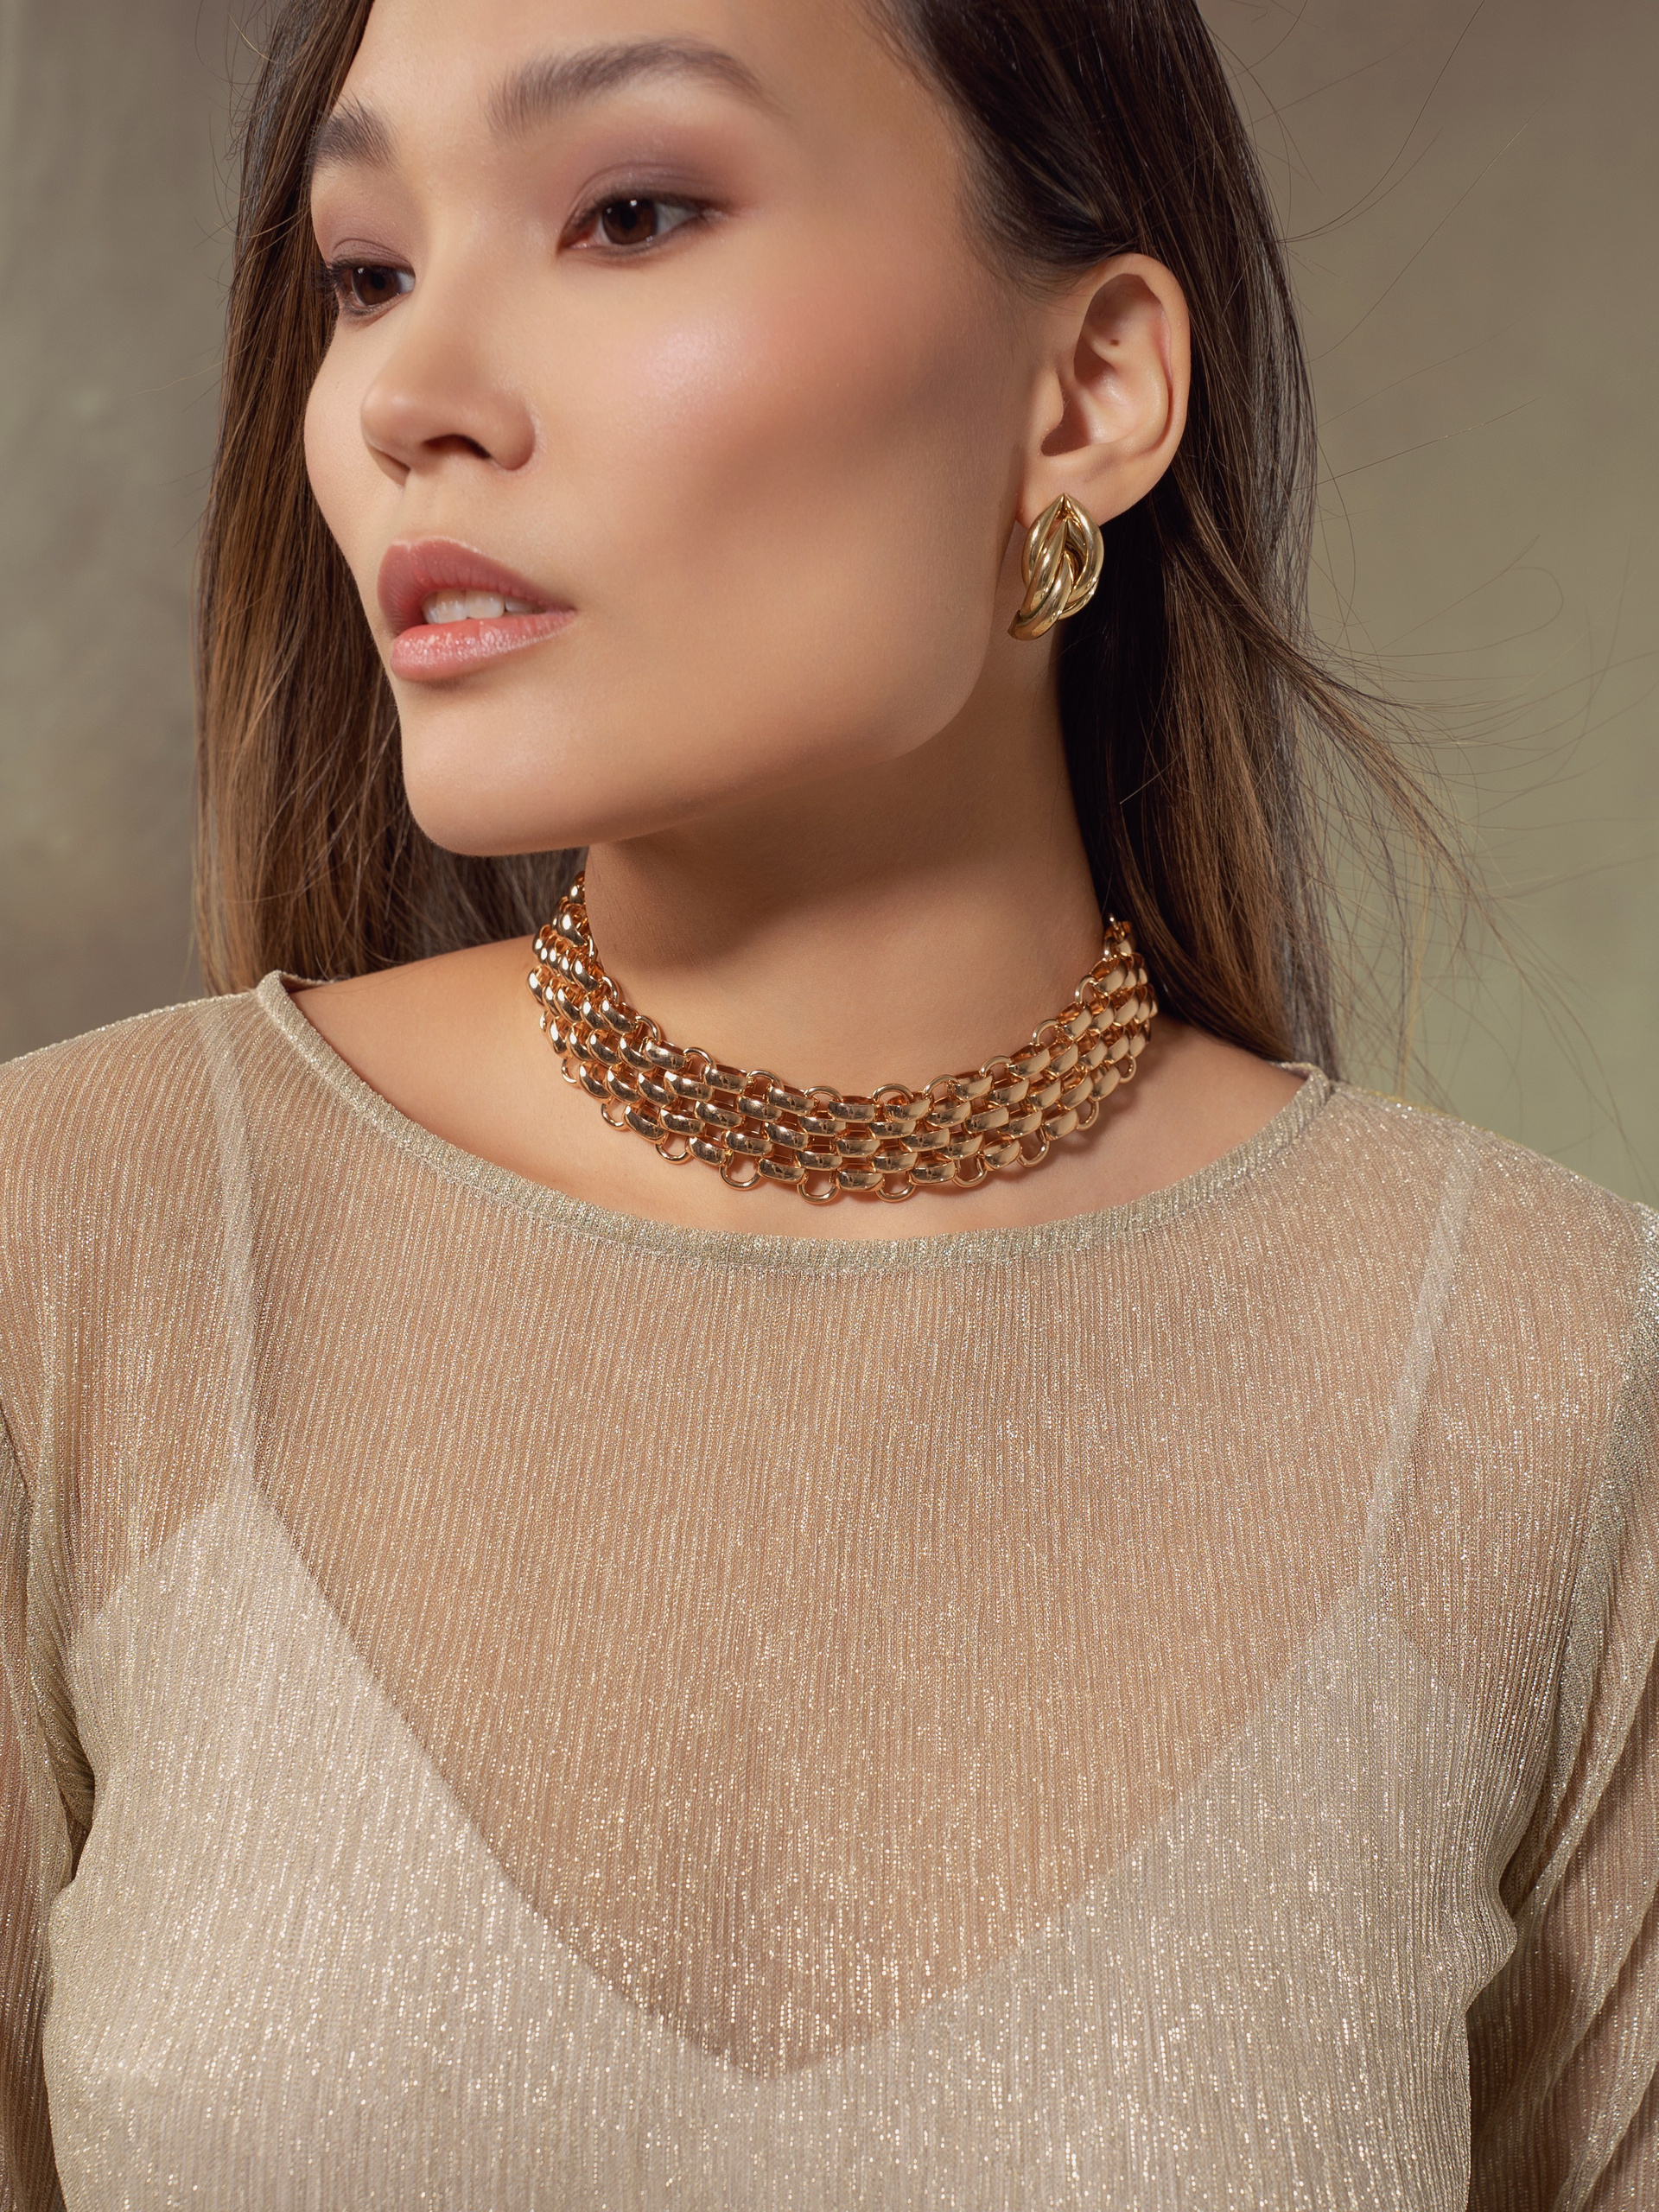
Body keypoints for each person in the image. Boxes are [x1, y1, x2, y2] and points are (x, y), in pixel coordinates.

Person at [0, 0, 1652, 2203]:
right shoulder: (75, 1249)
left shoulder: (1551, 1376)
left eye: (632, 212)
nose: (405, 395)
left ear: (1087, 393)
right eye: (368, 271)